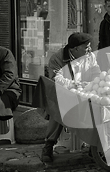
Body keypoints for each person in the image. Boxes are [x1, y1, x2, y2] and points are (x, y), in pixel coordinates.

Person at [41, 32, 99, 163]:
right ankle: (49, 145)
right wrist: (75, 85)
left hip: (85, 91)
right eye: (86, 47)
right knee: (59, 110)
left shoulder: (89, 56)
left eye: (89, 46)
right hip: (64, 93)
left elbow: (96, 70)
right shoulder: (57, 58)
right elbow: (56, 80)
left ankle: (94, 145)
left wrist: (98, 81)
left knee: (97, 105)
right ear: (75, 49)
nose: (89, 49)